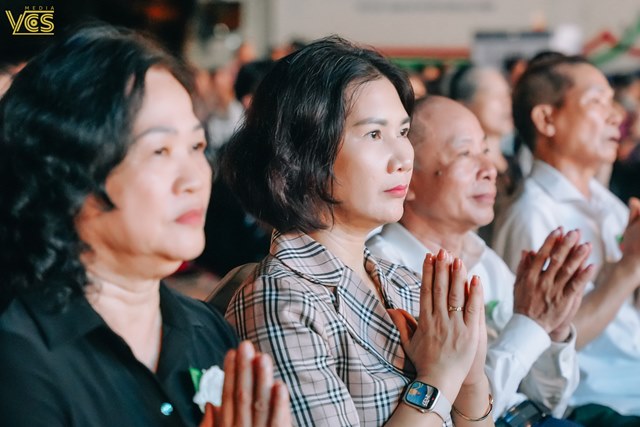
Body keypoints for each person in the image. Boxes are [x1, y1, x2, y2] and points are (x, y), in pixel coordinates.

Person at [0, 26, 290, 427]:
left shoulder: (207, 329)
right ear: (71, 173)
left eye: (197, 146)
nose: (195, 178)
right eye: (160, 151)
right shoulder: (19, 356)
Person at [222, 36, 494, 426]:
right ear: (302, 153)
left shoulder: (402, 281)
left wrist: (470, 377)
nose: (403, 158)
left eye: (403, 132)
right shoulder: (281, 301)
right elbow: (441, 381)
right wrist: (440, 376)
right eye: (374, 134)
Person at [367, 96, 592, 425]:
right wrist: (531, 325)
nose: (490, 169)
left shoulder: (483, 259)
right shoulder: (384, 270)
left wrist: (553, 328)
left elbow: (550, 400)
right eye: (465, 153)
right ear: (408, 178)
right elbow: (453, 413)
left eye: (486, 150)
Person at [493, 53, 640, 425]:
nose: (616, 116)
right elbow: (542, 337)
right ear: (546, 119)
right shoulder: (533, 213)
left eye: (612, 101)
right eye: (597, 102)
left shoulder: (605, 202)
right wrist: (628, 268)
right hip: (599, 402)